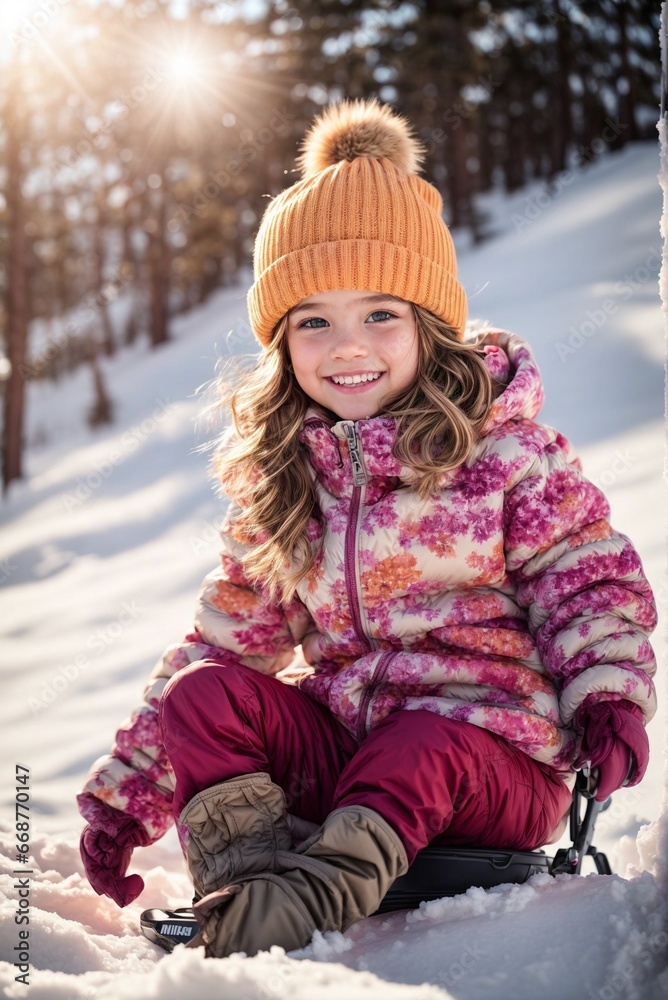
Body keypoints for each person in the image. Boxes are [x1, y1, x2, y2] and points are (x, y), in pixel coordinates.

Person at [78, 98, 657, 958]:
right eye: (314, 320)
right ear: (283, 344)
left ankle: (313, 900)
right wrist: (125, 799)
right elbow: (226, 645)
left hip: (490, 766)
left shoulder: (505, 455)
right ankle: (251, 879)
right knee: (199, 694)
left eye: (380, 314)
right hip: (353, 762)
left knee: (418, 742)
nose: (348, 346)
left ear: (430, 325)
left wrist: (609, 697)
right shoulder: (291, 483)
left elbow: (585, 578)